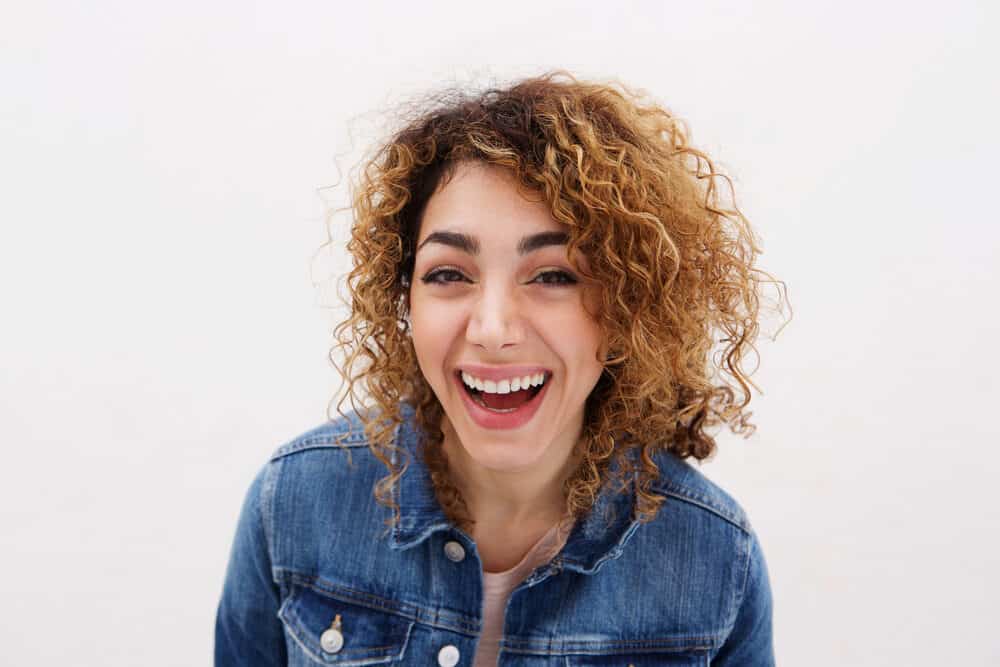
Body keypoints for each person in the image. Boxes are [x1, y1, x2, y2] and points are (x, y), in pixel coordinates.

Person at [215, 71, 785, 666]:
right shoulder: (292, 503)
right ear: (403, 296)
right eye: (449, 274)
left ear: (628, 308)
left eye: (554, 276)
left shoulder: (717, 561)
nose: (492, 329)